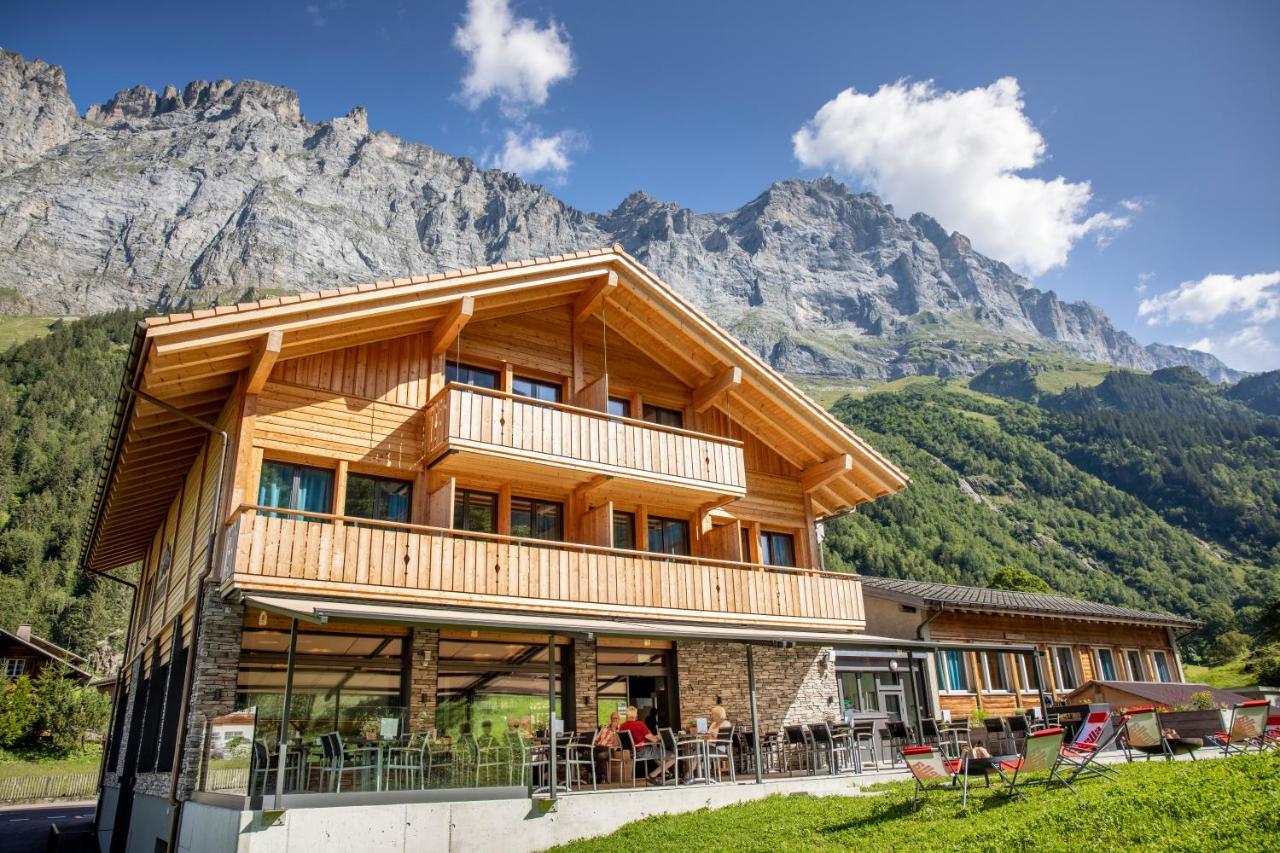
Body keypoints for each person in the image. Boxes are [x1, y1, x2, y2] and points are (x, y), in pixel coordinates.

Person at [619, 705, 671, 783]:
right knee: (673, 756)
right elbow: (653, 739)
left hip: (632, 753)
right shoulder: (639, 724)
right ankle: (652, 776)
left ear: (627, 715)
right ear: (636, 715)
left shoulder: (622, 726)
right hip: (643, 751)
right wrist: (660, 736)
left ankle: (668, 773)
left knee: (655, 753)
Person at [592, 711, 622, 782]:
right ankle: (600, 775)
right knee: (585, 757)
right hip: (598, 748)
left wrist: (614, 731)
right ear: (611, 719)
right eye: (613, 718)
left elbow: (617, 744)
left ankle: (600, 777)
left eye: (617, 718)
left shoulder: (620, 729)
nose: (615, 720)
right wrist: (594, 745)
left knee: (601, 756)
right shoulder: (604, 728)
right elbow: (596, 740)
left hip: (609, 750)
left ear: (619, 719)